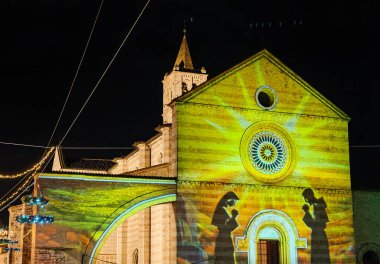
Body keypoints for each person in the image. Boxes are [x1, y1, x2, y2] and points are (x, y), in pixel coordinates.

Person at [302, 188, 330, 264]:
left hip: (319, 236)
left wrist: (307, 213)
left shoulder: (318, 205)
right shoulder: (317, 205)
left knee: (320, 258)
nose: (306, 200)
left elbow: (318, 224)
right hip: (317, 235)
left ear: (310, 195)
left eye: (306, 198)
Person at [211, 191, 239, 264]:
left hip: (224, 239)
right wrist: (233, 217)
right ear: (230, 200)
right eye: (235, 201)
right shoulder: (221, 209)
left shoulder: (223, 209)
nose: (235, 204)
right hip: (224, 241)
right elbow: (225, 228)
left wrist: (233, 217)